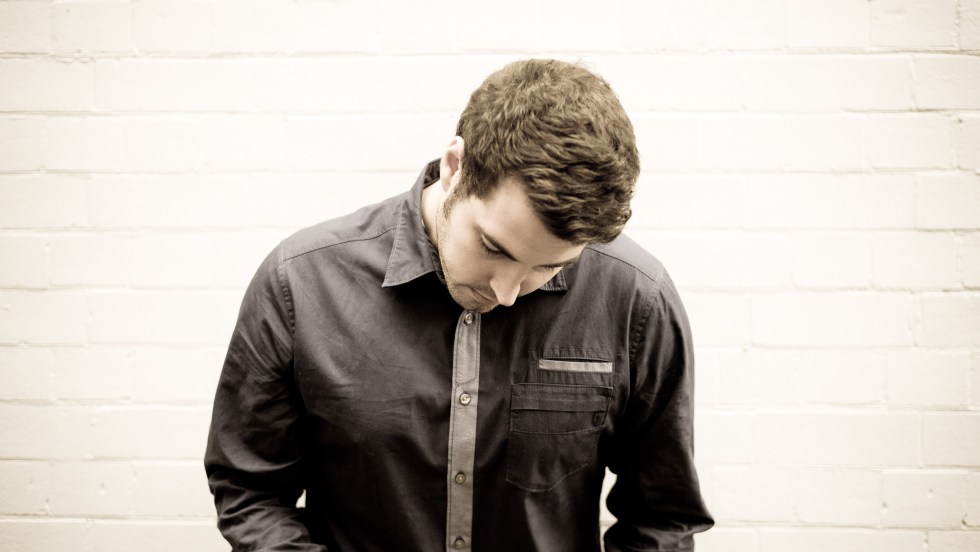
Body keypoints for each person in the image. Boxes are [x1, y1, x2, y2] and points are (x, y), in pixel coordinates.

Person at [205, 59, 713, 552]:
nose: (507, 292)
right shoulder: (300, 281)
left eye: (547, 267)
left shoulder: (636, 299)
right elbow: (252, 492)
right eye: (494, 248)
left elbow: (662, 519)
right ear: (454, 167)